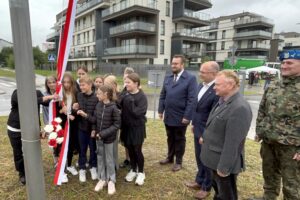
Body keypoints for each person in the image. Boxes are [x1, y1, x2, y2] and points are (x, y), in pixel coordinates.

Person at [200, 70, 252, 200]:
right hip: (213, 159)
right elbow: (215, 124)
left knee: (227, 196)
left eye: (217, 84)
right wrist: (205, 137)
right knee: (219, 193)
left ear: (230, 85)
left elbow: (234, 143)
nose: (214, 87)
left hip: (222, 164)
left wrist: (224, 168)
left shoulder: (239, 108)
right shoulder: (222, 100)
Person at [256, 50, 300, 200]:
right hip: (269, 141)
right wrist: (259, 131)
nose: (284, 66)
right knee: (269, 177)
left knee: (291, 184)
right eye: (283, 62)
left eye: (289, 63)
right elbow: (262, 109)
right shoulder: (274, 85)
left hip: (291, 146)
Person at [184, 61, 219, 199]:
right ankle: (199, 180)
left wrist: (206, 133)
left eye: (203, 72)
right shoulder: (201, 85)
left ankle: (206, 186)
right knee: (199, 157)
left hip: (207, 132)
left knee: (207, 160)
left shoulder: (217, 89)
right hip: (197, 127)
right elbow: (197, 107)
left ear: (213, 74)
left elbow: (214, 115)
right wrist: (193, 122)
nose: (200, 74)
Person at [7, 89, 56, 185]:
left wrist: (55, 95)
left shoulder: (37, 92)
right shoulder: (17, 93)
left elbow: (47, 103)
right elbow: (28, 102)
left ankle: (34, 171)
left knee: (33, 150)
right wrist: (47, 97)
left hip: (31, 129)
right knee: (18, 152)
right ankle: (22, 174)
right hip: (16, 129)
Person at [158, 55, 197, 171]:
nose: (173, 65)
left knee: (179, 138)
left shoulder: (190, 79)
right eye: (172, 63)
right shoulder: (168, 77)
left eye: (176, 63)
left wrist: (187, 116)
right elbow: (162, 95)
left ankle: (178, 161)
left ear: (182, 65)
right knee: (170, 137)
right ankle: (170, 157)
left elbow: (192, 99)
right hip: (169, 115)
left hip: (181, 116)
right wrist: (161, 110)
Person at [90, 85, 121, 195]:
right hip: (99, 138)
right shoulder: (98, 105)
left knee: (109, 159)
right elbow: (94, 119)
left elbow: (117, 124)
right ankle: (102, 178)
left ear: (106, 95)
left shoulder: (113, 108)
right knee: (100, 158)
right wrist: (94, 129)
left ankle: (111, 180)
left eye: (98, 93)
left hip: (109, 139)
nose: (96, 95)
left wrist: (103, 134)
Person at [120, 73, 148, 186]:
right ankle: (133, 169)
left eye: (128, 82)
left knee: (137, 149)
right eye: (125, 82)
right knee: (130, 149)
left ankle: (141, 172)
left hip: (137, 127)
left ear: (136, 83)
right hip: (126, 127)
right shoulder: (125, 94)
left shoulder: (142, 96)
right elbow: (118, 105)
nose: (126, 84)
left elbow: (138, 113)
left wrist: (130, 100)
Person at [73, 76, 98, 182]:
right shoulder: (79, 95)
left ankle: (93, 167)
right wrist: (74, 109)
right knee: (82, 149)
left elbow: (96, 117)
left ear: (90, 85)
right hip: (81, 128)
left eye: (83, 85)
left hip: (92, 129)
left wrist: (93, 128)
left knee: (93, 149)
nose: (81, 87)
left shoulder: (96, 97)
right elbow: (76, 112)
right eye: (80, 85)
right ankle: (82, 168)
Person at [58, 72, 79, 179]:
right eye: (64, 82)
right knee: (62, 144)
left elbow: (78, 108)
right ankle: (61, 165)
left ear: (72, 82)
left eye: (68, 82)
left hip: (73, 123)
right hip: (63, 123)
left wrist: (75, 109)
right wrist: (63, 111)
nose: (66, 84)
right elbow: (58, 111)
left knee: (71, 144)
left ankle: (69, 165)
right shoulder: (60, 94)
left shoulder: (75, 92)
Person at [118, 67, 134, 168]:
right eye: (124, 75)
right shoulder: (123, 89)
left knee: (131, 141)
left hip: (131, 120)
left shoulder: (134, 89)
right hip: (123, 119)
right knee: (125, 140)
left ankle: (133, 160)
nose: (125, 78)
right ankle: (127, 158)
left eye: (127, 76)